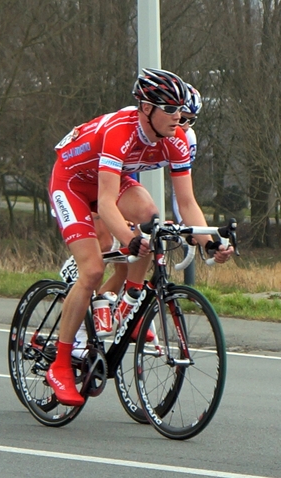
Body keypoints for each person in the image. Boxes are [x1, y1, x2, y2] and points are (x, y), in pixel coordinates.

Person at [47, 68, 234, 406]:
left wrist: (210, 241)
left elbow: (187, 202)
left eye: (181, 110)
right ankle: (60, 365)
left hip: (113, 183)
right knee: (91, 270)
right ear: (146, 109)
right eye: (171, 109)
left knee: (153, 222)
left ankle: (130, 306)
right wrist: (128, 239)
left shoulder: (177, 138)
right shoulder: (121, 130)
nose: (179, 117)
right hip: (72, 183)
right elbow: (104, 202)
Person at [172, 83, 202, 223]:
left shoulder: (188, 137)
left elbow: (181, 193)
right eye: (182, 119)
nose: (186, 126)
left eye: (191, 120)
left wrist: (185, 224)